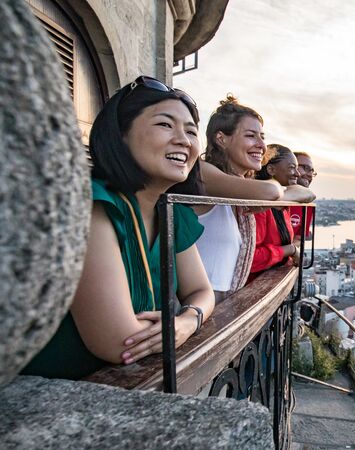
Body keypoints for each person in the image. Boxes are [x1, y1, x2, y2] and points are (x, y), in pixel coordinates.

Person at [22, 76, 215, 379]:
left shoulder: (171, 214)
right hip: (50, 398)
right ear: (120, 135)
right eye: (165, 125)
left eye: (191, 131)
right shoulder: (90, 205)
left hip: (123, 388)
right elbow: (119, 342)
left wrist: (188, 320)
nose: (184, 140)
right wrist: (174, 323)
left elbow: (201, 290)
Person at [194, 96, 314, 301]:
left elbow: (307, 193)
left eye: (262, 137)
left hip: (224, 305)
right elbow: (271, 192)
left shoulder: (242, 187)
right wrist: (276, 192)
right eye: (251, 136)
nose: (261, 145)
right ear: (221, 139)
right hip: (197, 309)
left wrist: (277, 192)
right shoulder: (201, 173)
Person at [249, 145, 301, 281]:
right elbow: (250, 259)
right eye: (291, 167)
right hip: (254, 287)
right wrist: (290, 250)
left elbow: (308, 194)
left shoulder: (281, 206)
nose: (298, 174)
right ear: (271, 169)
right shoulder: (259, 208)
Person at [289, 151, 316, 238]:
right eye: (306, 168)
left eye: (312, 171)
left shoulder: (307, 205)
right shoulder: (268, 198)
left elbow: (299, 239)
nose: (310, 175)